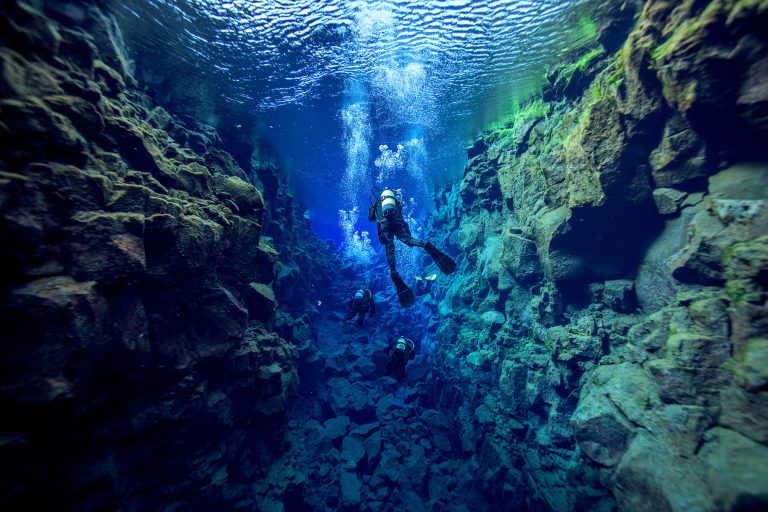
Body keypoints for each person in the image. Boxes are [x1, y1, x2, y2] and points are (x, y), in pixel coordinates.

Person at [368, 187, 457, 308]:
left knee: (390, 249)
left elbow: (371, 218)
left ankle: (393, 270)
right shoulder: (395, 201)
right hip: (398, 222)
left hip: (384, 225)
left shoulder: (378, 203)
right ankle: (425, 245)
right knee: (409, 240)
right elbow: (400, 212)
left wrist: (373, 208)